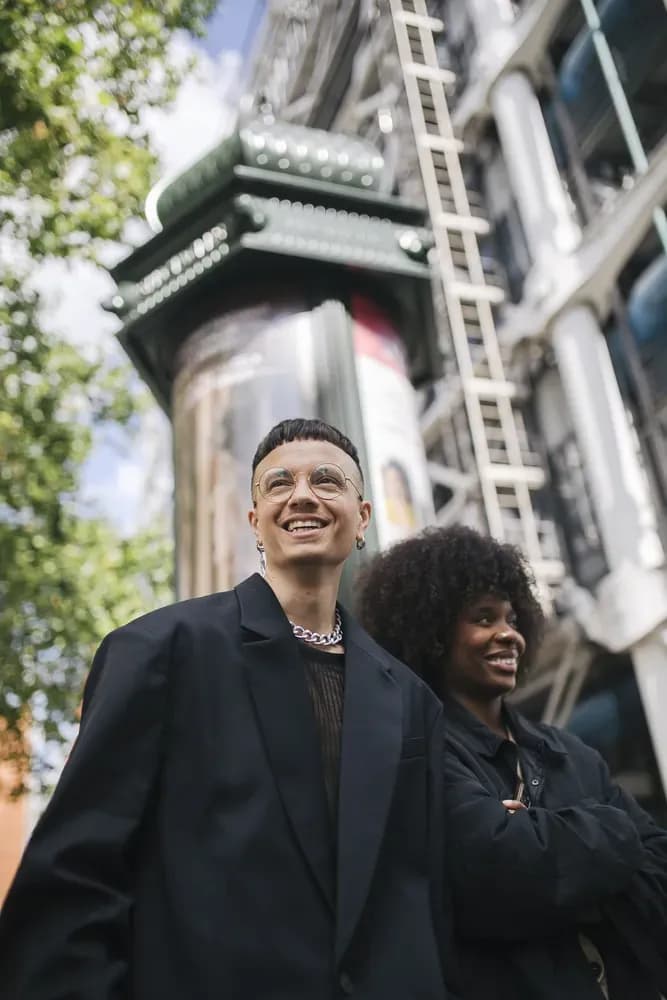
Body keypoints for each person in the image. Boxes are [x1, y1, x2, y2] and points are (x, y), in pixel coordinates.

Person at [0, 418, 450, 1000]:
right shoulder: (159, 649)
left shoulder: (413, 700)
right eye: (279, 484)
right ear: (255, 520)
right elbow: (74, 882)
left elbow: (427, 896)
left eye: (328, 481)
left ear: (362, 518)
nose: (304, 495)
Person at [358, 524, 667, 1000]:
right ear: (433, 633)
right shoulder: (417, 753)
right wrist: (612, 837)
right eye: (483, 619)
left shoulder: (569, 753)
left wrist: (549, 845)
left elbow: (659, 873)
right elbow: (496, 871)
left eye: (512, 618)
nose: (509, 635)